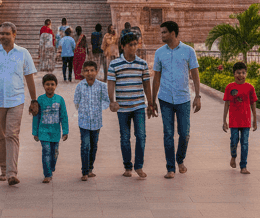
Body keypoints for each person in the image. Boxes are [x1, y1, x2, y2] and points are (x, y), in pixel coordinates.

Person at [0, 21, 39, 186]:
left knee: (12, 134)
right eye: (1, 33)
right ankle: (4, 170)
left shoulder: (23, 53)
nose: (3, 36)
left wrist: (34, 100)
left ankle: (12, 173)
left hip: (16, 100)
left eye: (6, 33)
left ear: (14, 34)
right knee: (1, 136)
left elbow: (30, 78)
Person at [151, 20, 201, 178]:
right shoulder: (159, 53)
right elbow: (156, 78)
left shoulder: (188, 51)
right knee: (168, 134)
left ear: (173, 33)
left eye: (164, 32)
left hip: (183, 98)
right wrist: (152, 100)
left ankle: (180, 159)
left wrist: (198, 96)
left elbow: (195, 74)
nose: (162, 35)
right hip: (165, 98)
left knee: (185, 133)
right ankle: (170, 168)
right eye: (162, 32)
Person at [107, 32, 153, 178]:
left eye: (135, 44)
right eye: (130, 45)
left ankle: (139, 166)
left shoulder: (142, 63)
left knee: (141, 135)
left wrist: (150, 103)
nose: (133, 47)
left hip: (139, 105)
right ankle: (128, 166)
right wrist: (112, 100)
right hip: (123, 107)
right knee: (125, 137)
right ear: (123, 46)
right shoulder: (115, 64)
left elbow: (146, 84)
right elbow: (111, 83)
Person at [73, 60, 108, 180]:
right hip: (83, 121)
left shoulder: (102, 86)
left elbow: (106, 100)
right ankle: (84, 172)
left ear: (96, 72)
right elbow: (76, 101)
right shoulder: (80, 86)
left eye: (92, 70)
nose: (89, 73)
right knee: (85, 145)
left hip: (97, 121)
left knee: (94, 145)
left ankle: (90, 168)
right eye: (87, 70)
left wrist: (98, 108)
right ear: (83, 72)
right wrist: (83, 110)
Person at [32, 73, 69, 182]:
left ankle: (51, 166)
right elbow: (36, 117)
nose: (50, 86)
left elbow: (64, 116)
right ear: (43, 86)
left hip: (55, 132)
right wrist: (35, 132)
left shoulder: (60, 99)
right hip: (43, 131)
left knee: (54, 153)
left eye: (52, 84)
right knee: (46, 151)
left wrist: (65, 131)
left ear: (56, 85)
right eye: (47, 84)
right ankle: (47, 174)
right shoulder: (40, 99)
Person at [222, 61, 258, 174]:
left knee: (245, 143)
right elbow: (226, 104)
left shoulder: (250, 88)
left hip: (246, 121)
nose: (241, 75)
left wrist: (255, 120)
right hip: (234, 121)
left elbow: (253, 104)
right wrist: (224, 120)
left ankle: (243, 166)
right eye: (238, 73)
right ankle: (233, 156)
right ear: (234, 74)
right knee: (233, 141)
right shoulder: (229, 87)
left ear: (246, 74)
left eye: (243, 73)